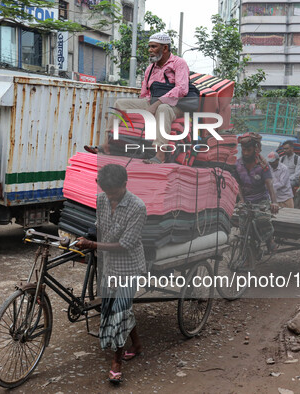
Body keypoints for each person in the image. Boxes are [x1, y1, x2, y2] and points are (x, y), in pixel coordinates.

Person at [76, 164, 146, 384]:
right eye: (106, 192)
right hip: (107, 265)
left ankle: (117, 362)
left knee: (119, 313)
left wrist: (93, 244)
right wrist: (84, 239)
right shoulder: (101, 200)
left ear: (125, 185)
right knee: (113, 308)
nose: (110, 197)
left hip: (128, 267)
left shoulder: (137, 207)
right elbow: (100, 226)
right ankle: (136, 345)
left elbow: (126, 244)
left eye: (114, 192)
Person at [85, 32, 192, 163]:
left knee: (162, 109)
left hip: (174, 106)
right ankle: (107, 145)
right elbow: (145, 94)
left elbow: (182, 89)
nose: (150, 50)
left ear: (165, 48)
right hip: (152, 102)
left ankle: (160, 154)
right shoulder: (150, 68)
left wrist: (156, 104)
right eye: (149, 47)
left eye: (154, 47)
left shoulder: (179, 63)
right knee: (120, 103)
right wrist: (145, 106)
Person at [235, 133, 279, 252]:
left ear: (255, 149)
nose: (246, 153)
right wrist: (241, 201)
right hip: (246, 200)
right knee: (243, 225)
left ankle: (269, 240)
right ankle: (248, 252)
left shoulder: (263, 166)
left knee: (262, 219)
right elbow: (237, 184)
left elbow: (269, 184)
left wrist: (274, 202)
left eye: (249, 150)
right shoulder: (238, 164)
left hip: (261, 200)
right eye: (244, 150)